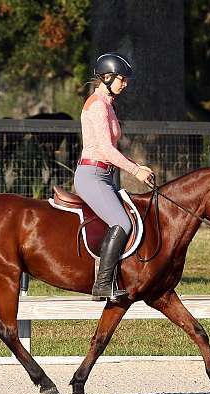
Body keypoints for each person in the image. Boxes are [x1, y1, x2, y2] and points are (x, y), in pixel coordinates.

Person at [74, 52, 154, 298]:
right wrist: (135, 170)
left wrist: (137, 166)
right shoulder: (97, 105)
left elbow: (111, 149)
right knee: (122, 222)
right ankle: (103, 284)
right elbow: (107, 150)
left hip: (104, 175)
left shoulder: (107, 104)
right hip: (92, 175)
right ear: (107, 77)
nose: (125, 83)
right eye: (121, 79)